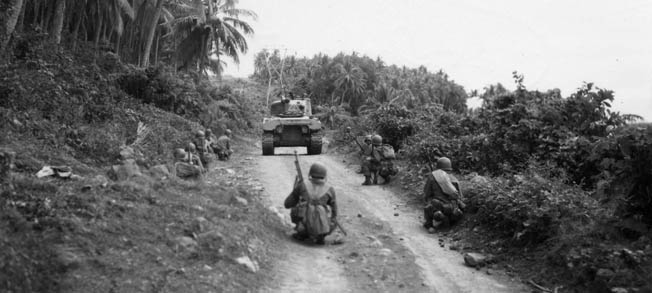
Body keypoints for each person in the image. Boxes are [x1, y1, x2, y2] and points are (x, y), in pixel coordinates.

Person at [284, 163, 338, 245]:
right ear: (324, 175)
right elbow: (334, 210)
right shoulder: (330, 189)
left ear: (310, 174)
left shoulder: (302, 185)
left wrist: (296, 190)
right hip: (323, 228)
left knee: (297, 208)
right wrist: (332, 220)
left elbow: (287, 204)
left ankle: (302, 233)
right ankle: (321, 236)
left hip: (304, 224)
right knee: (331, 216)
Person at [423, 157, 465, 233]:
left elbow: (426, 193)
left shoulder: (432, 177)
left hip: (438, 207)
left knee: (428, 207)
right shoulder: (454, 179)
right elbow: (460, 197)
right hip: (452, 209)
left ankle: (429, 224)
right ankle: (448, 224)